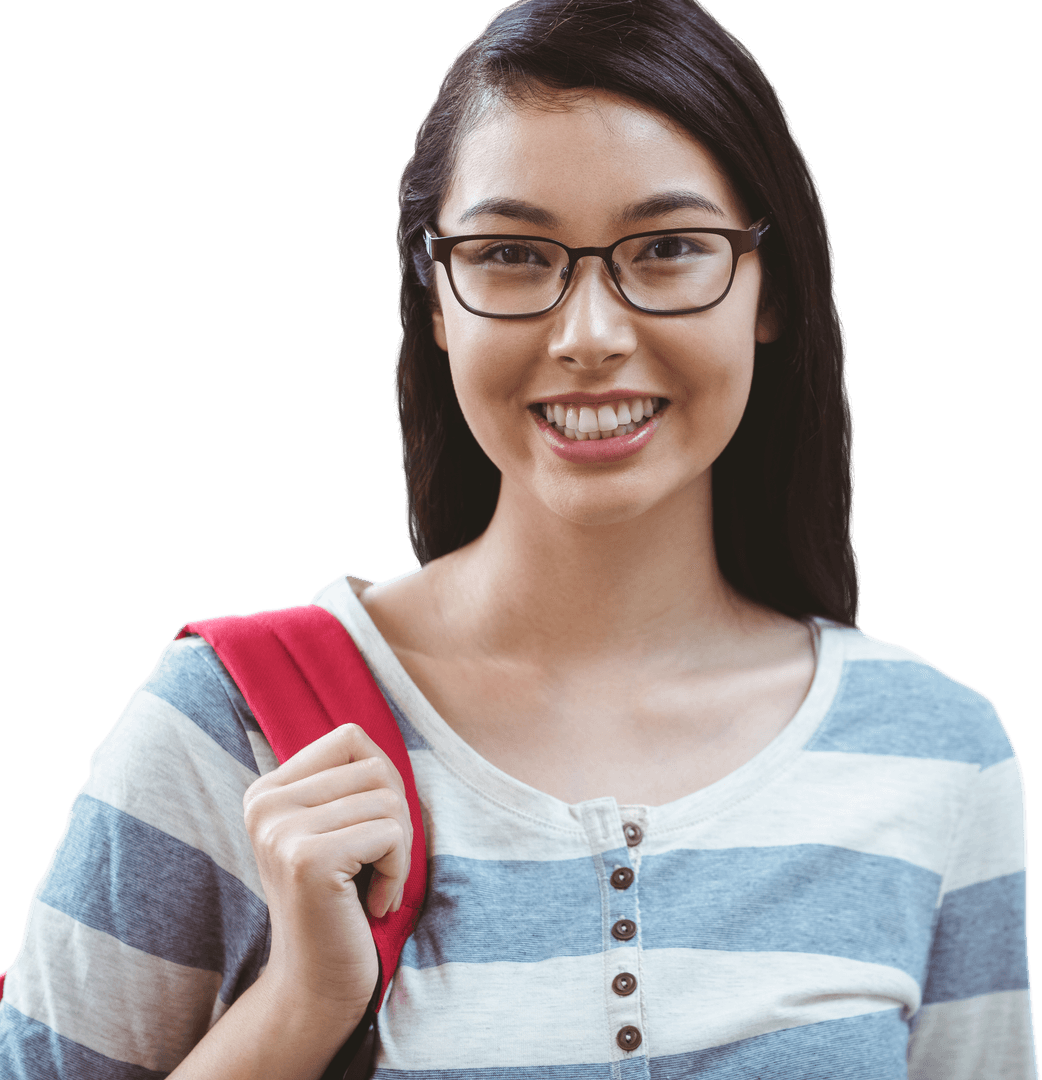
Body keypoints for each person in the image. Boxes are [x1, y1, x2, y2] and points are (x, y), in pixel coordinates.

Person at [0, 0, 1035, 1077]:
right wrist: (302, 1003)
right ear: (436, 296)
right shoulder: (229, 729)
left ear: (769, 288)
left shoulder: (937, 751)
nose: (589, 335)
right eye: (510, 254)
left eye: (671, 247)